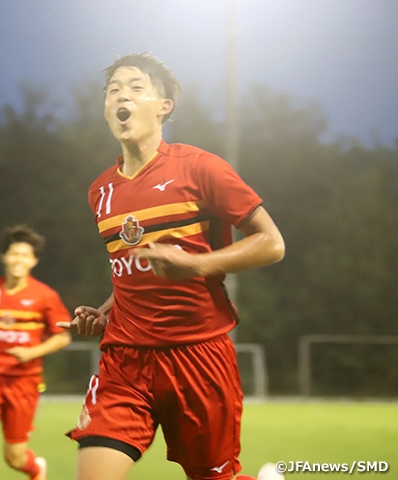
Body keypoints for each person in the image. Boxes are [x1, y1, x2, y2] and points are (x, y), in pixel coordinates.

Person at [57, 53, 286, 480]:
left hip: (198, 357)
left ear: (164, 106)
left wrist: (196, 266)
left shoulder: (201, 168)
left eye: (135, 87)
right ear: (107, 109)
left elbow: (272, 244)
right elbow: (131, 270)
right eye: (113, 91)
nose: (122, 95)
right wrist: (104, 313)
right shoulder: (100, 191)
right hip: (124, 360)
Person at [0, 225, 72, 480]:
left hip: (23, 381)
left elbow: (63, 337)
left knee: (14, 456)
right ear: (4, 257)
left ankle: (35, 469)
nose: (18, 259)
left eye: (24, 255)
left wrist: (33, 353)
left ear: (33, 261)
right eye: (14, 253)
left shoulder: (45, 296)